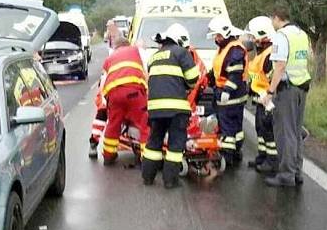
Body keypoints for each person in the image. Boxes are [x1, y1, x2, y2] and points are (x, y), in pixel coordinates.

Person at [142, 24, 200, 188]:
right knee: (175, 143)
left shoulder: (153, 57)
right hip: (176, 108)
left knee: (154, 142)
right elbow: (193, 78)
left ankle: (147, 177)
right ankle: (170, 180)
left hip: (155, 108)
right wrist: (186, 86)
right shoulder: (182, 52)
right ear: (180, 40)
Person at [262, 3, 312, 187]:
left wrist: (269, 92)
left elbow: (280, 66)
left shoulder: (281, 36)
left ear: (276, 18)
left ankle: (286, 175)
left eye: (272, 19)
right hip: (302, 87)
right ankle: (297, 172)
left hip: (287, 89)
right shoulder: (301, 34)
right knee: (297, 132)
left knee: (286, 133)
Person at [99, 34, 149, 165]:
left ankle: (108, 156)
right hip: (134, 92)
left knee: (113, 124)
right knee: (144, 123)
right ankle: (147, 157)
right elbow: (146, 72)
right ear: (128, 44)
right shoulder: (136, 50)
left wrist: (105, 100)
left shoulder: (110, 58)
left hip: (114, 94)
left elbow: (103, 80)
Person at [207, 16, 249, 168]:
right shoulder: (226, 48)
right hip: (231, 95)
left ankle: (227, 156)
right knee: (236, 128)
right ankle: (236, 152)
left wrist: (227, 90)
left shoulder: (235, 50)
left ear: (225, 33)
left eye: (218, 35)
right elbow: (219, 70)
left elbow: (235, 73)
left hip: (231, 96)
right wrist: (207, 78)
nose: (216, 39)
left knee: (228, 127)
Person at [246, 16, 279, 173]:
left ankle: (272, 161)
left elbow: (272, 78)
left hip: (268, 100)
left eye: (254, 36)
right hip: (260, 99)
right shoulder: (261, 53)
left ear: (263, 35)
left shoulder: (269, 55)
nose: (252, 40)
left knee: (267, 130)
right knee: (260, 128)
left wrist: (269, 97)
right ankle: (262, 156)